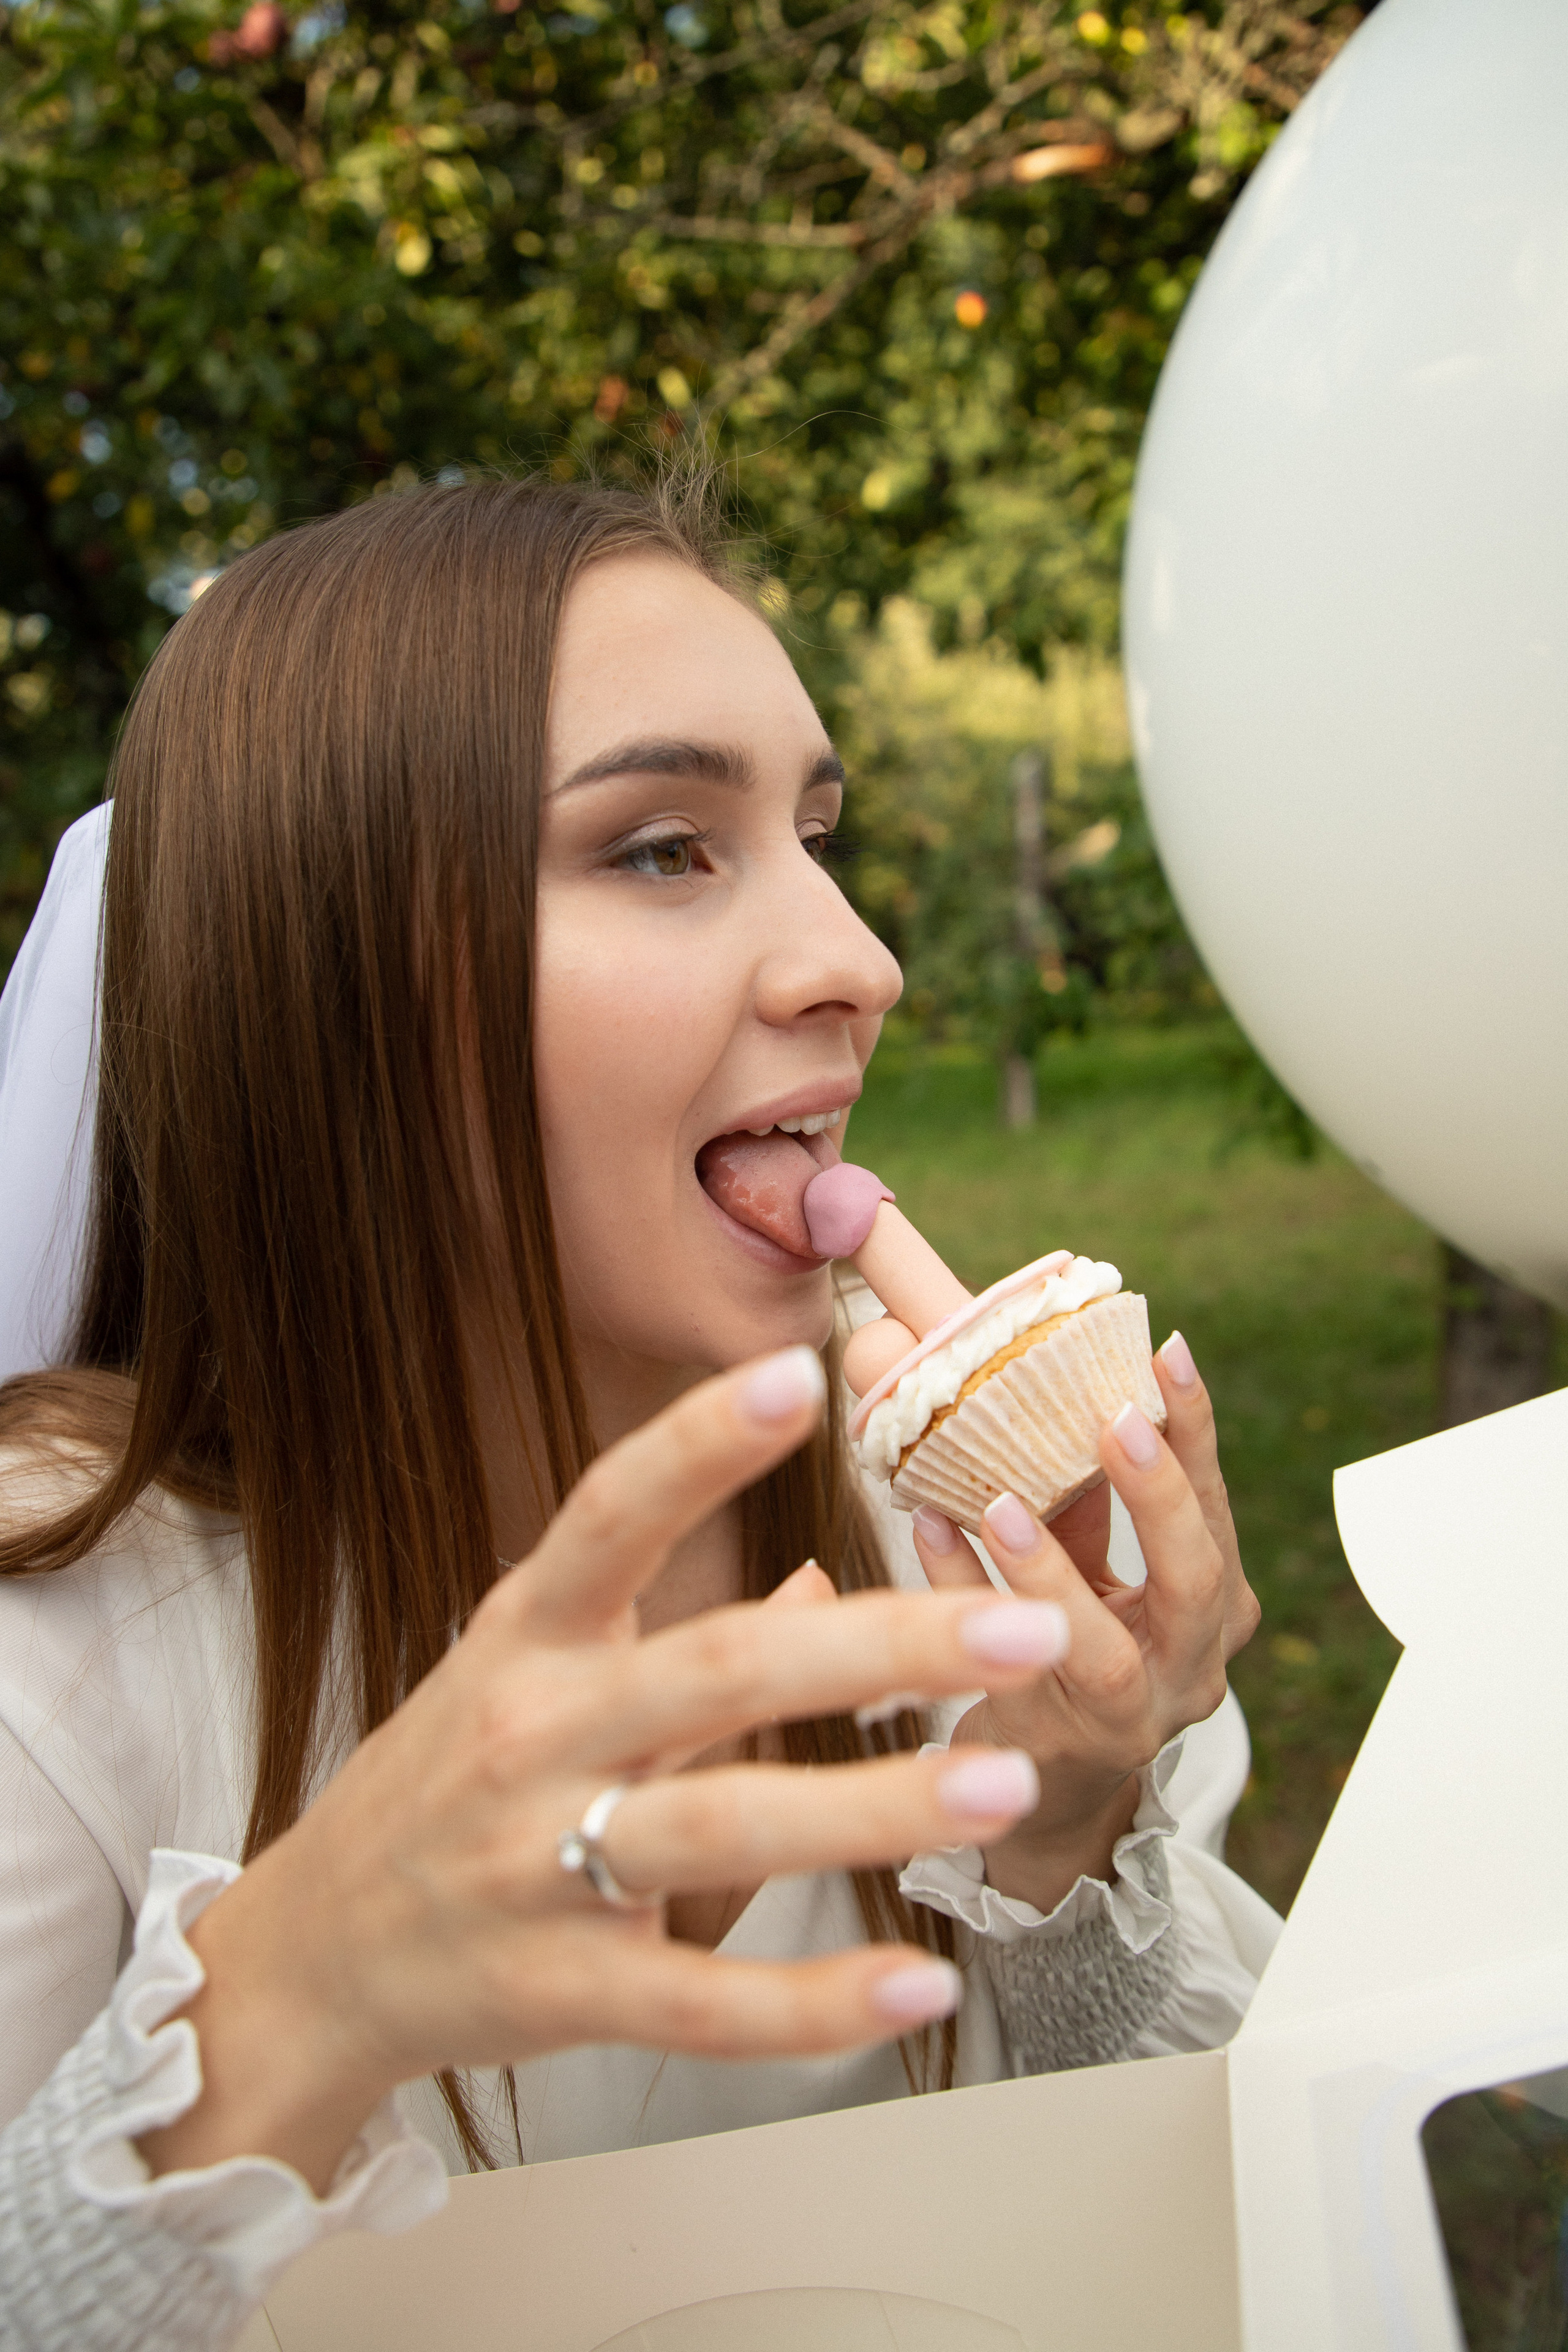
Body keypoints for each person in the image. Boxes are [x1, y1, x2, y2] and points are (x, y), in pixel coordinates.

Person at [0, 473, 1275, 2352]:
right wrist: (285, 1999)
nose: (860, 960)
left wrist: (1071, 1827)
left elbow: (1217, 2234)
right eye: (665, 847)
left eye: (817, 831)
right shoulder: (54, 1653)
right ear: (325, 974)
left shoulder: (972, 1552)